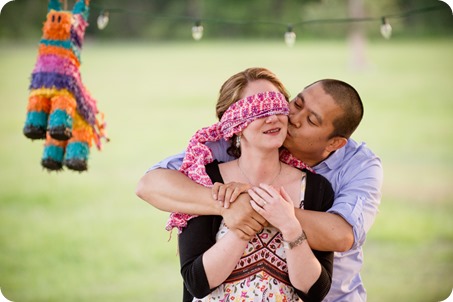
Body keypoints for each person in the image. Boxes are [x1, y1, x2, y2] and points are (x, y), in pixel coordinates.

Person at [136, 72, 383, 301]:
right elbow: (150, 185)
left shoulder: (352, 170)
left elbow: (340, 236)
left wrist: (269, 209)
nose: (291, 118)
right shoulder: (217, 153)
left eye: (310, 120)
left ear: (334, 143)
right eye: (296, 104)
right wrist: (227, 205)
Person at [173, 67, 334, 301]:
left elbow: (315, 291)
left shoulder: (316, 188)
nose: (272, 118)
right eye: (258, 110)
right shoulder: (204, 179)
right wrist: (244, 222)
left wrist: (290, 226)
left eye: (277, 106)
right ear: (234, 122)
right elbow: (196, 282)